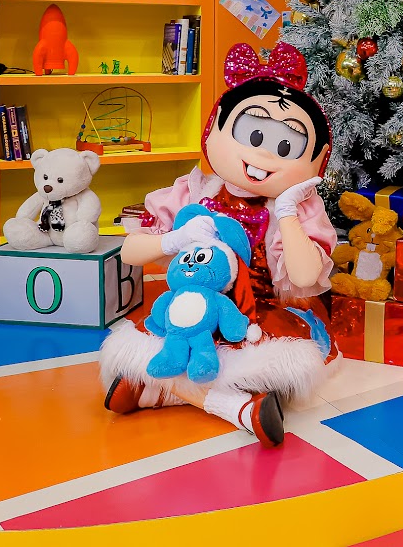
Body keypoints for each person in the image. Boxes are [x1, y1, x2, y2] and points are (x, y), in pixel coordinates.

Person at [99, 42, 337, 446]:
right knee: (169, 337)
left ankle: (161, 392)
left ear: (319, 159)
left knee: (265, 360)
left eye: (286, 147)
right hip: (189, 305)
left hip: (258, 312)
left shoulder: (298, 210)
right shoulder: (194, 191)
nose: (264, 154)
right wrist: (174, 238)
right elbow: (131, 252)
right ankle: (240, 408)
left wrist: (286, 211)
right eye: (254, 134)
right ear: (213, 128)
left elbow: (303, 276)